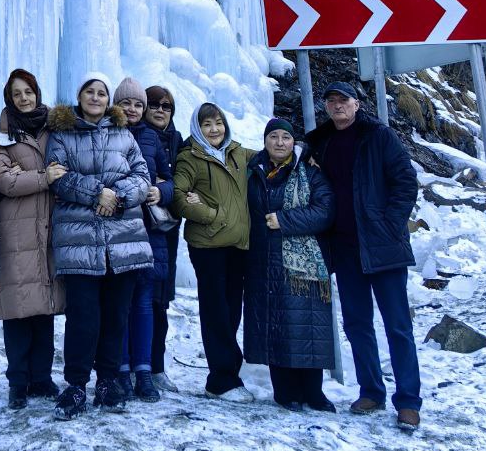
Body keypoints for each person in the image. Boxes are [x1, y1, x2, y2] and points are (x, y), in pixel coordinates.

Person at [305, 81, 421, 431]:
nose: (338, 106)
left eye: (344, 100)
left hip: (383, 246)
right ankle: (371, 390)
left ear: (357, 104)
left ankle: (408, 401)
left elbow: (405, 180)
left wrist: (392, 223)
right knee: (357, 325)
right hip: (345, 248)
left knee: (398, 326)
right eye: (331, 101)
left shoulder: (378, 136)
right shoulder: (320, 142)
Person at [46, 72, 153, 420]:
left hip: (123, 242)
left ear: (109, 101)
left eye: (101, 93)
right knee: (83, 318)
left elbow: (142, 177)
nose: (95, 97)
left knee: (115, 317)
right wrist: (99, 194)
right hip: (80, 242)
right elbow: (59, 178)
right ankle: (76, 385)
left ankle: (107, 382)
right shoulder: (62, 135)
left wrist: (117, 197)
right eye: (89, 92)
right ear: (80, 97)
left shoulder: (124, 135)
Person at [244, 117, 337, 411]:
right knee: (276, 325)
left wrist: (283, 220)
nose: (280, 143)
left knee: (307, 326)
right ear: (265, 141)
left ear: (293, 142)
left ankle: (313, 392)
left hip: (303, 263)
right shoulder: (255, 170)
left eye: (286, 137)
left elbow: (324, 211)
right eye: (274, 137)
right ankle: (284, 391)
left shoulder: (310, 172)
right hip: (263, 259)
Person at [0, 68, 65, 410]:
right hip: (16, 231)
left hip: (47, 227)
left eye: (28, 91)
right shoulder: (0, 134)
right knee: (19, 309)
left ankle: (42, 378)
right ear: (9, 99)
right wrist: (44, 177)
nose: (24, 98)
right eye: (17, 94)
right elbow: (4, 181)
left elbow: (66, 167)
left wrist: (30, 176)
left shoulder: (54, 127)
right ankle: (18, 382)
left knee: (44, 306)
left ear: (37, 92)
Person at [172, 102, 256, 402]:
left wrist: (300, 151)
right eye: (207, 124)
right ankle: (221, 380)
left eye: (218, 123)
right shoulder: (190, 157)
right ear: (198, 127)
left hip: (237, 246)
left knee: (232, 309)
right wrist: (212, 215)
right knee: (215, 311)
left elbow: (272, 155)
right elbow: (178, 196)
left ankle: (227, 373)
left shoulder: (238, 153)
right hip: (208, 246)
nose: (214, 129)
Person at [113, 77, 172, 403]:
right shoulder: (106, 133)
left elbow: (171, 181)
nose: (133, 109)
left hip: (148, 232)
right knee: (121, 303)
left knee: (144, 303)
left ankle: (144, 372)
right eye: (126, 103)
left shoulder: (152, 138)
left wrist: (160, 190)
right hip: (117, 229)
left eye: (138, 104)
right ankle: (121, 371)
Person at [144, 84, 184, 392]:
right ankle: (134, 365)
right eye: (154, 104)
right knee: (136, 300)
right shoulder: (135, 134)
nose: (160, 110)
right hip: (136, 227)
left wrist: (166, 188)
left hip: (166, 227)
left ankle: (156, 366)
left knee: (160, 301)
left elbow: (181, 182)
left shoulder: (177, 140)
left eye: (166, 106)